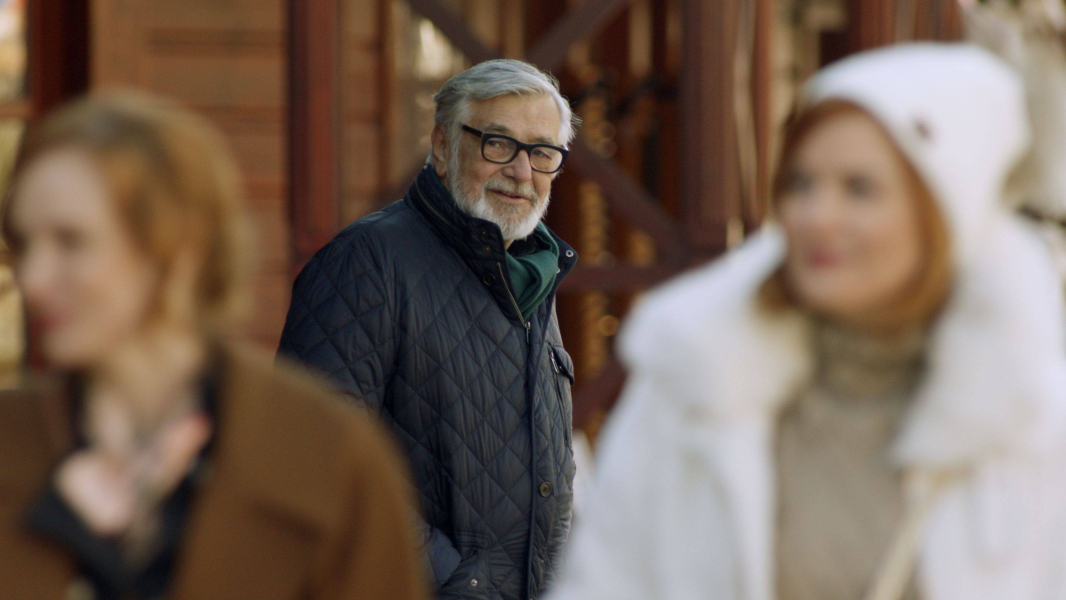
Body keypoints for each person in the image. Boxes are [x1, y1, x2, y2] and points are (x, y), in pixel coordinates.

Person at [549, 43, 1066, 600]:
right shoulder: (698, 380)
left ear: (941, 216)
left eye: (859, 189)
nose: (818, 217)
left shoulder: (1029, 416)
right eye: (801, 184)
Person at [0, 92, 428, 600]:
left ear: (180, 247)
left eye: (71, 241)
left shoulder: (329, 457)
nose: (32, 278)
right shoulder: (10, 441)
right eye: (24, 245)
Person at [278, 59, 579, 599]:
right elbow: (315, 459)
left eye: (542, 152)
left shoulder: (532, 275)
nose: (521, 171)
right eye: (498, 144)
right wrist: (459, 584)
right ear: (443, 147)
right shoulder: (367, 262)